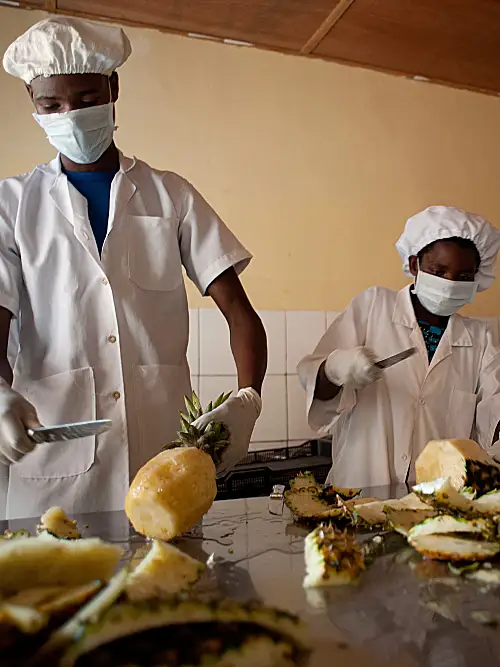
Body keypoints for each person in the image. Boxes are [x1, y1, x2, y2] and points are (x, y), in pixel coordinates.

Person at [0, 17, 267, 519]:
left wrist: (249, 398)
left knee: (170, 587)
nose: (71, 117)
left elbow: (240, 312)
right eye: (51, 106)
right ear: (32, 106)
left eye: (85, 100)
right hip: (55, 471)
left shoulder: (171, 194)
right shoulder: (10, 206)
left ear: (113, 88)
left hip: (162, 465)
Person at [298, 206, 500, 488]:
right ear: (415, 264)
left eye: (464, 276)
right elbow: (313, 380)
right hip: (357, 495)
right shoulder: (372, 307)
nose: (450, 283)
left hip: (438, 504)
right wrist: (335, 369)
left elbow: (496, 410)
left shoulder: (481, 339)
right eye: (438, 271)